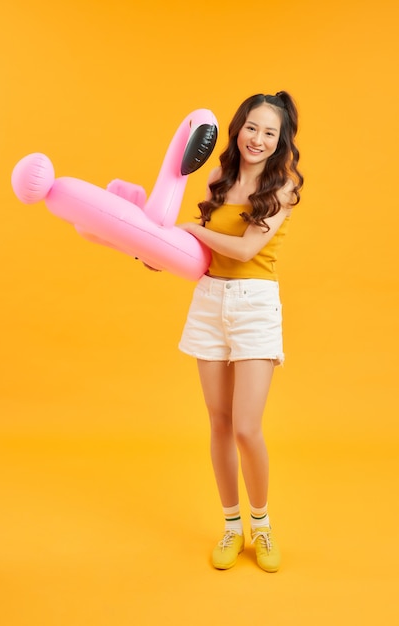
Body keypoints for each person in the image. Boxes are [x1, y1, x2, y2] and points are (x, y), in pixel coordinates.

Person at [177, 92, 303, 572]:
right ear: (238, 128)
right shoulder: (216, 178)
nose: (258, 139)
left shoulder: (282, 190)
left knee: (247, 427)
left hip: (255, 307)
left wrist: (187, 229)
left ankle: (262, 525)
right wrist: (160, 250)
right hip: (209, 301)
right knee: (219, 422)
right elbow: (204, 255)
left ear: (281, 140)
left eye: (270, 132)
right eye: (252, 128)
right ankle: (231, 527)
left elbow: (247, 250)